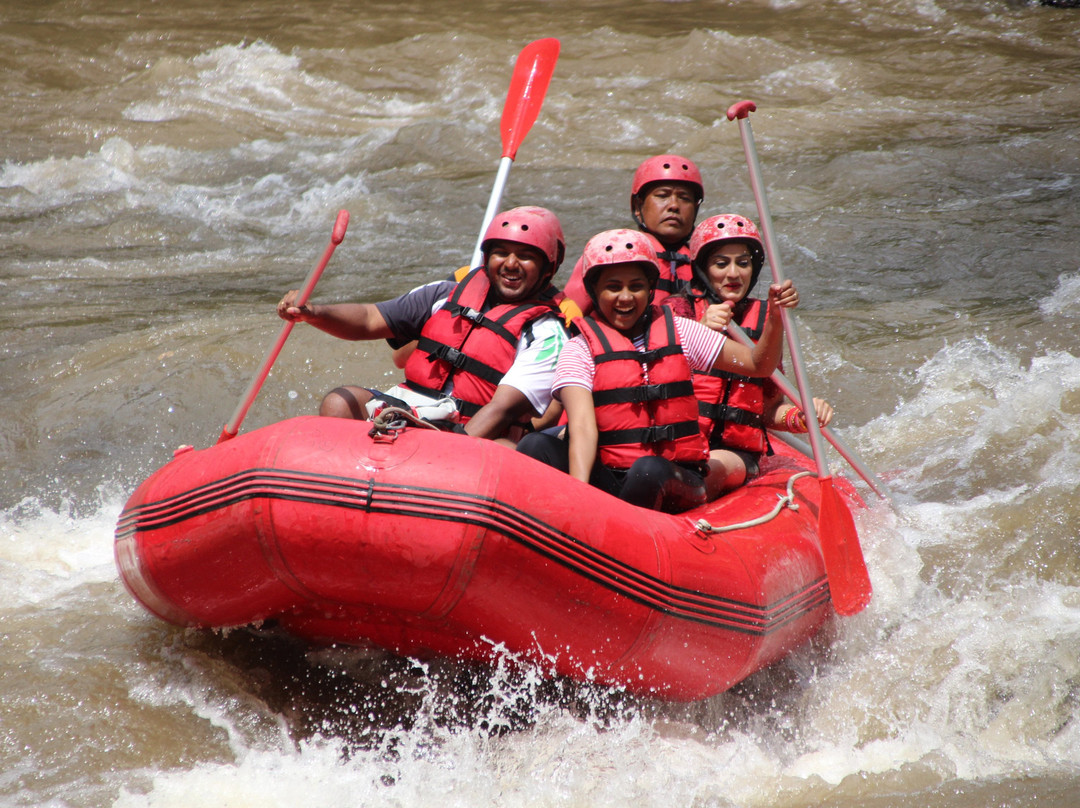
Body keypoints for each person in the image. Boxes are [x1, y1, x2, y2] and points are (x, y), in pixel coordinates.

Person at [517, 228, 797, 513]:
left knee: (648, 470)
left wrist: (775, 319)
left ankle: (626, 525)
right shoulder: (578, 349)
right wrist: (581, 495)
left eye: (636, 286)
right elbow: (582, 427)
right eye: (613, 287)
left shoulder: (682, 332)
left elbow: (758, 365)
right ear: (594, 291)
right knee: (535, 445)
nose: (625, 297)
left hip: (674, 477)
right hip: (611, 474)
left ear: (650, 289)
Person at [277, 206, 568, 442]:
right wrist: (314, 313)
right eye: (501, 253)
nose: (511, 264)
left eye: (526, 257)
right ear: (486, 257)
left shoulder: (547, 332)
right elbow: (369, 319)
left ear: (547, 269)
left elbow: (502, 409)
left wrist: (445, 450)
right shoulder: (444, 294)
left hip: (471, 431)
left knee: (505, 447)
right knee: (339, 403)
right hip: (409, 409)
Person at [665, 214, 834, 498]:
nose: (734, 274)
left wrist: (801, 416)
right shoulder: (677, 310)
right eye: (721, 264)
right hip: (677, 442)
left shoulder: (767, 320)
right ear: (702, 269)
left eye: (743, 263)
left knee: (711, 468)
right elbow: (651, 380)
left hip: (733, 455)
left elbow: (769, 409)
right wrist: (699, 331)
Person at [562, 154, 704, 316]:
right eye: (662, 195)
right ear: (638, 206)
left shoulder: (708, 263)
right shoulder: (607, 254)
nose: (674, 205)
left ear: (695, 209)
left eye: (684, 198)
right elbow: (567, 319)